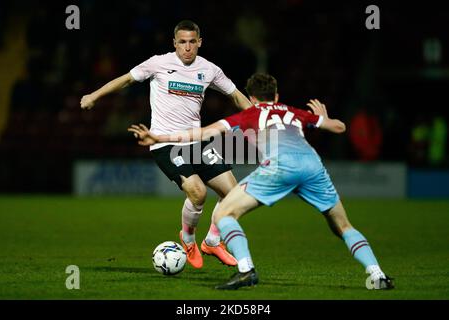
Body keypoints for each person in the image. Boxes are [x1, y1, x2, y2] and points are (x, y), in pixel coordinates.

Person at [129, 73, 394, 290]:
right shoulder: (294, 112)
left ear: (252, 98)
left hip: (279, 168)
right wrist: (324, 115)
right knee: (343, 226)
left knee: (224, 213)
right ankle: (377, 274)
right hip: (313, 167)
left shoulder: (248, 115)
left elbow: (202, 132)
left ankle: (246, 270)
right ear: (276, 96)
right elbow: (339, 128)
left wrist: (159, 138)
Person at [80, 20, 253, 269]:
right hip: (164, 143)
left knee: (233, 194)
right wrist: (94, 96)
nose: (187, 47)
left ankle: (213, 241)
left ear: (199, 42)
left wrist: (261, 115)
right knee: (198, 193)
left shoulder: (209, 69)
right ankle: (189, 239)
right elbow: (127, 79)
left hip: (197, 140)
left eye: (192, 42)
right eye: (182, 42)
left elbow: (235, 95)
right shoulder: (158, 63)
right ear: (174, 43)